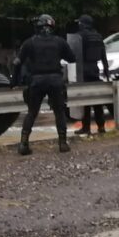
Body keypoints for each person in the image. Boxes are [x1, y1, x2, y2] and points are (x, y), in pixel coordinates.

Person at [12, 14, 76, 154]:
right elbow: (72, 58)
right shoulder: (59, 42)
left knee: (32, 112)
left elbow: (17, 62)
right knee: (59, 112)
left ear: (38, 27)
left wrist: (14, 82)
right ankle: (63, 143)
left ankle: (23, 144)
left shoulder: (29, 42)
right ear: (52, 26)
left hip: (36, 80)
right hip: (55, 80)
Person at [75, 15, 110, 136]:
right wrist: (106, 71)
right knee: (97, 100)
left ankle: (86, 128)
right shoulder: (98, 36)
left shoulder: (80, 36)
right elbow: (103, 55)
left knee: (85, 101)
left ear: (82, 24)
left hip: (83, 71)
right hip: (95, 69)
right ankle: (101, 127)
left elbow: (75, 55)